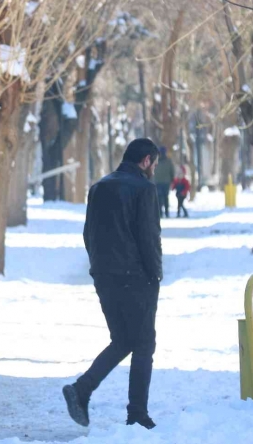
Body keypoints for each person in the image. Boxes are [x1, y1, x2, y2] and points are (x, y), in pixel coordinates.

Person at [63, 138, 162, 430]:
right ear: (146, 160)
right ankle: (138, 415)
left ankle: (82, 390)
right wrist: (154, 275)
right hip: (135, 278)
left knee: (123, 340)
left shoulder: (99, 187)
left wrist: (99, 268)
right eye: (154, 164)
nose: (154, 170)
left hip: (104, 277)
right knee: (144, 343)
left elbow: (87, 233)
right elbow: (149, 238)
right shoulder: (144, 189)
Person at [153, 146, 175, 218]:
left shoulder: (156, 161)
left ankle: (161, 213)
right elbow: (172, 171)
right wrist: (172, 180)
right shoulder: (168, 161)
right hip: (165, 182)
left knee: (160, 198)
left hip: (159, 182)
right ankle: (166, 212)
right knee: (165, 198)